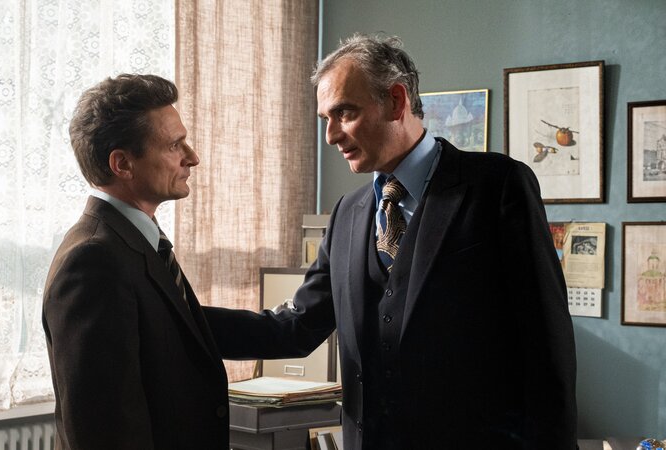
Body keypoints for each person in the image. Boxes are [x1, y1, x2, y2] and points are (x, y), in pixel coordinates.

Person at [203, 34, 577, 449]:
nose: (330, 135)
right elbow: (294, 329)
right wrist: (174, 313)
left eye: (344, 113)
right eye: (325, 118)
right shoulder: (347, 213)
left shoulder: (497, 186)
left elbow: (547, 344)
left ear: (396, 101)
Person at [42, 74, 229, 450]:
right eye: (175, 145)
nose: (192, 157)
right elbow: (103, 432)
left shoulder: (137, 243)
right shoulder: (92, 262)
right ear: (123, 164)